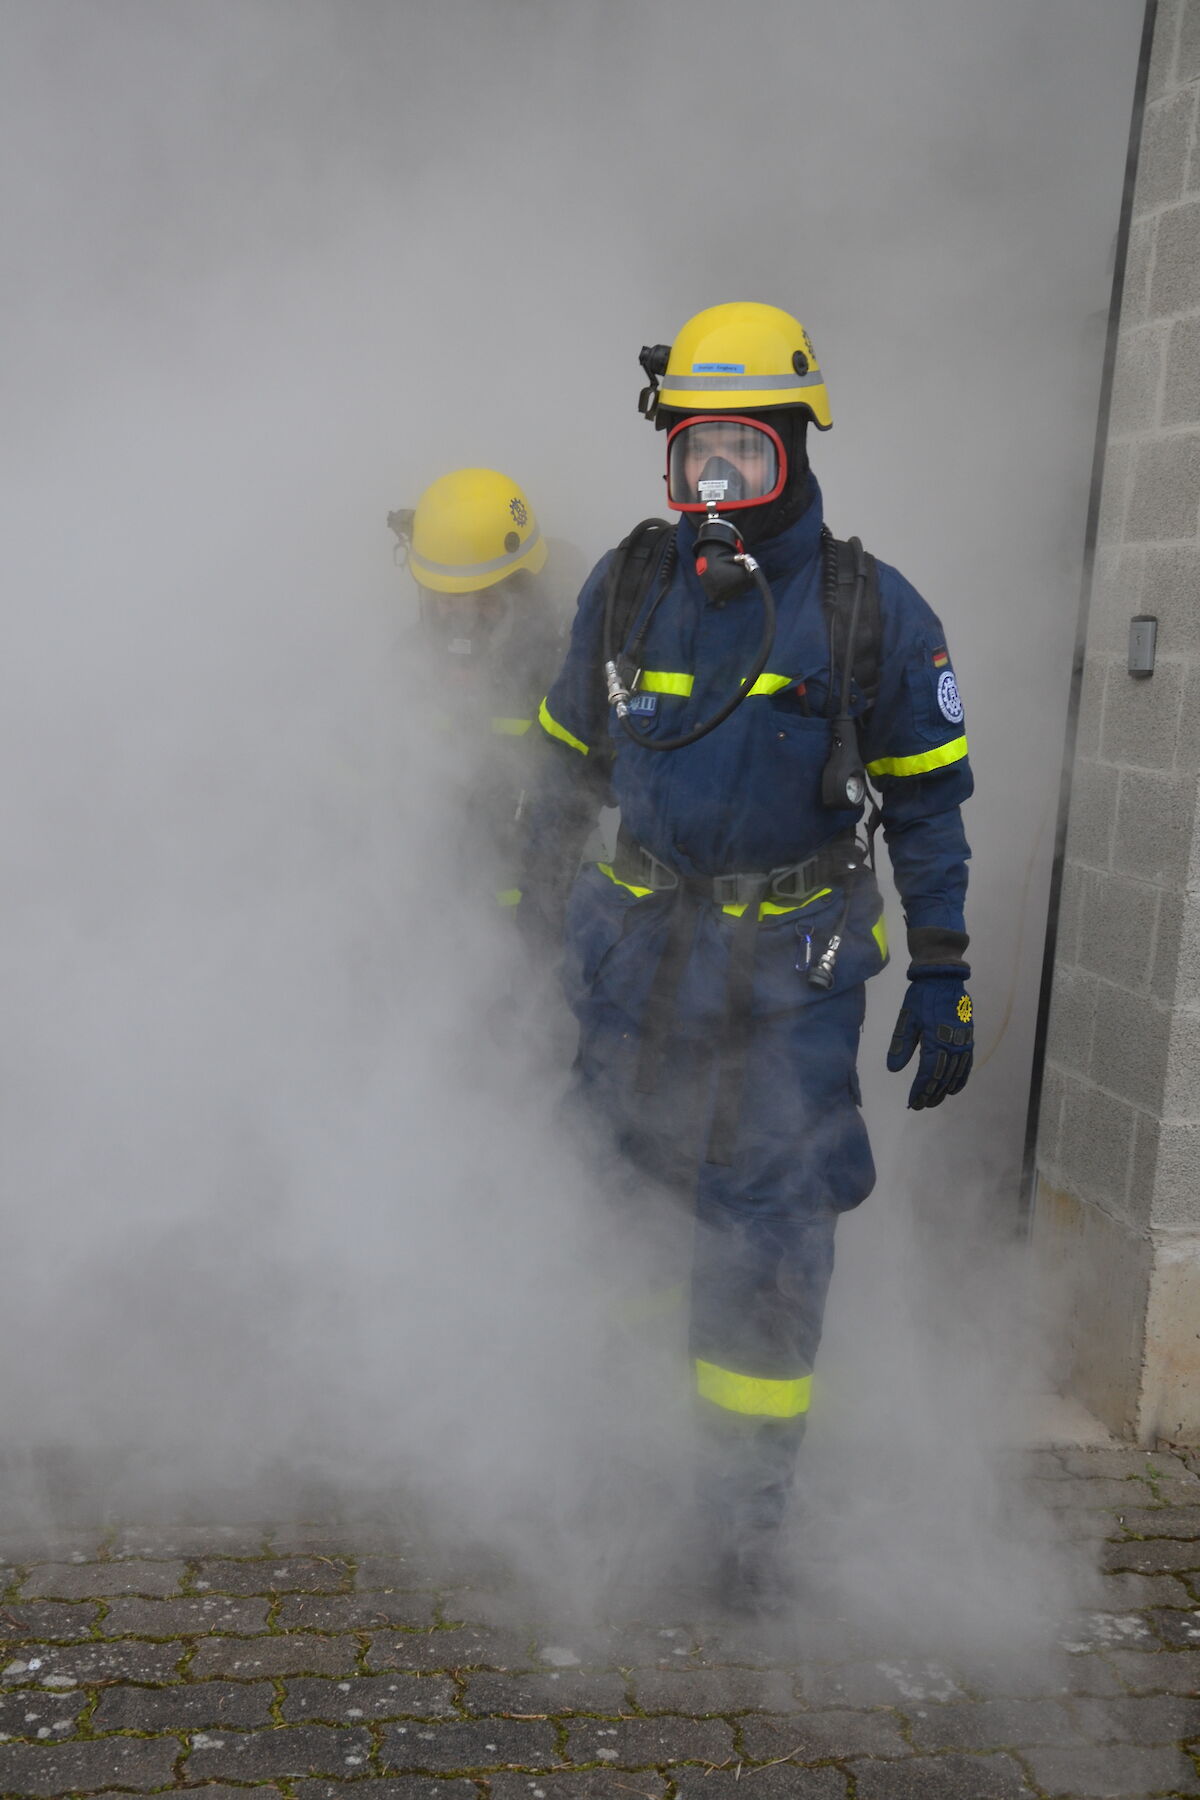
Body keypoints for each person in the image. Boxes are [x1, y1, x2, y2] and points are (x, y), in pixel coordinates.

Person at [516, 302, 975, 1615]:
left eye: (743, 461)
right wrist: (523, 907)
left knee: (765, 1243)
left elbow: (932, 809)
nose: (714, 489)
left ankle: (741, 1523)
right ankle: (617, 1452)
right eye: (695, 459)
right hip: (634, 962)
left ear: (796, 449)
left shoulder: (873, 614)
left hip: (788, 981)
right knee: (612, 1207)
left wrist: (941, 968)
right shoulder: (630, 586)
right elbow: (561, 765)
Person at [387, 467, 567, 910]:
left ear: (525, 591)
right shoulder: (406, 667)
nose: (462, 624)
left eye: (484, 603)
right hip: (435, 917)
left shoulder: (567, 673)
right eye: (446, 602)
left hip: (541, 924)